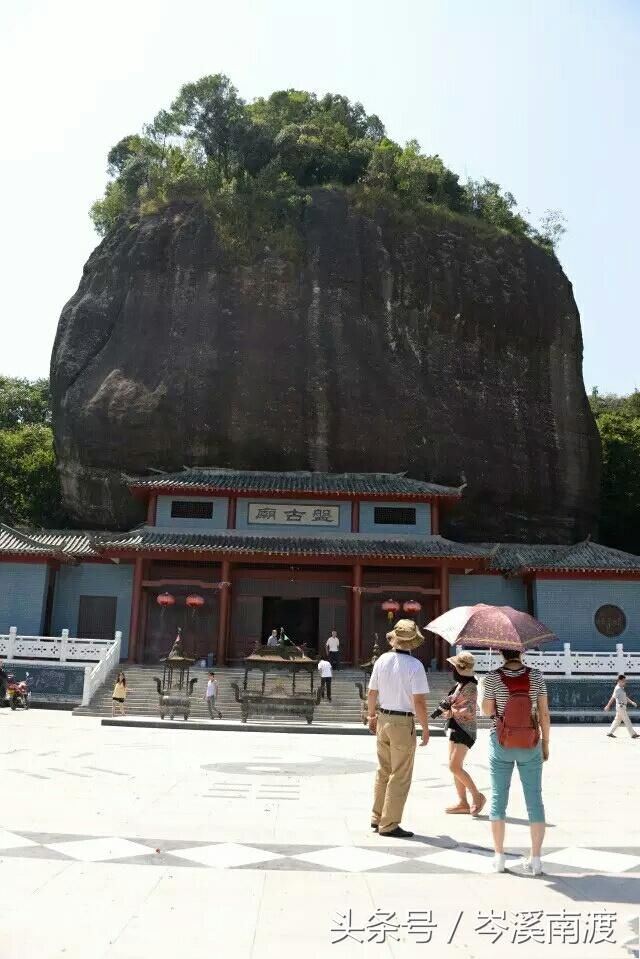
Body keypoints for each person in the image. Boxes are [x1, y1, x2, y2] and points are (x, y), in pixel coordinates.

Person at [482, 649, 550, 875]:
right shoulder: (536, 675)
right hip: (530, 743)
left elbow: (487, 711)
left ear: (500, 652)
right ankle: (537, 860)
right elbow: (544, 713)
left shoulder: (492, 676)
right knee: (535, 800)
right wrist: (546, 743)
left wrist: (486, 688)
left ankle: (499, 858)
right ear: (522, 651)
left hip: (501, 742)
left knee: (498, 798)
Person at [367, 619, 430, 838]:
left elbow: (372, 692)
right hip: (403, 722)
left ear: (394, 638)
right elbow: (419, 701)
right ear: (413, 641)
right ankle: (389, 823)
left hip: (383, 717)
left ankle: (377, 817)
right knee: (400, 774)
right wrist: (426, 728)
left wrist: (371, 715)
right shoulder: (415, 666)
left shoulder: (382, 660)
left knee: (383, 770)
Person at [440, 652, 485, 816]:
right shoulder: (461, 684)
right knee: (454, 767)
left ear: (459, 668)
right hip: (456, 727)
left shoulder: (471, 686)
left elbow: (469, 711)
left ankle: (477, 796)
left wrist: (450, 711)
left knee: (454, 766)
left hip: (465, 729)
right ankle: (462, 802)